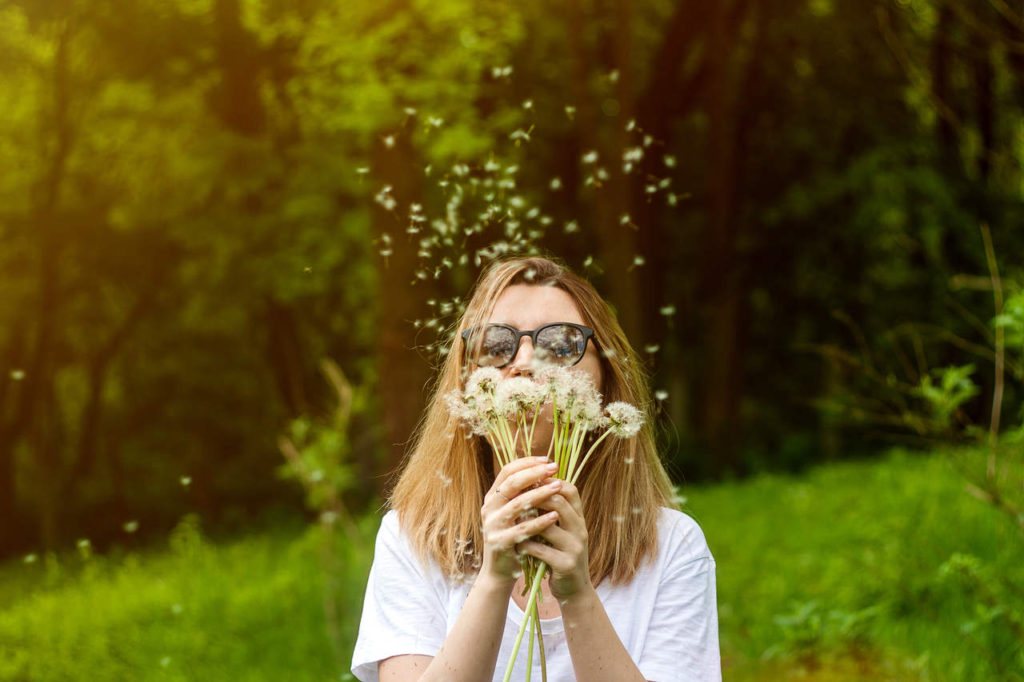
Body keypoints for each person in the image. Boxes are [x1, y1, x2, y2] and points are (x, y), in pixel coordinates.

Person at [352, 256, 721, 682]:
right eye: (496, 345)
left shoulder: (672, 548)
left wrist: (578, 595)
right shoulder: (412, 539)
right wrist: (493, 580)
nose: (524, 361)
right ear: (466, 380)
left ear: (605, 379)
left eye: (560, 344)